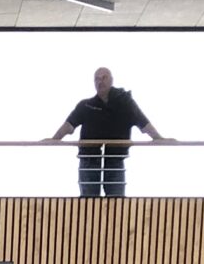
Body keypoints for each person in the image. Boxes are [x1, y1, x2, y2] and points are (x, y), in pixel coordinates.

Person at [49, 66, 165, 198]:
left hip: (115, 159)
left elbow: (144, 124)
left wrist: (159, 138)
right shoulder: (85, 105)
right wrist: (54, 139)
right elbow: (68, 126)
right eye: (97, 79)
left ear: (111, 80)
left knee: (116, 202)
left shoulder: (126, 103)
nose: (100, 81)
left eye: (104, 78)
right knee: (89, 202)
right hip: (89, 159)